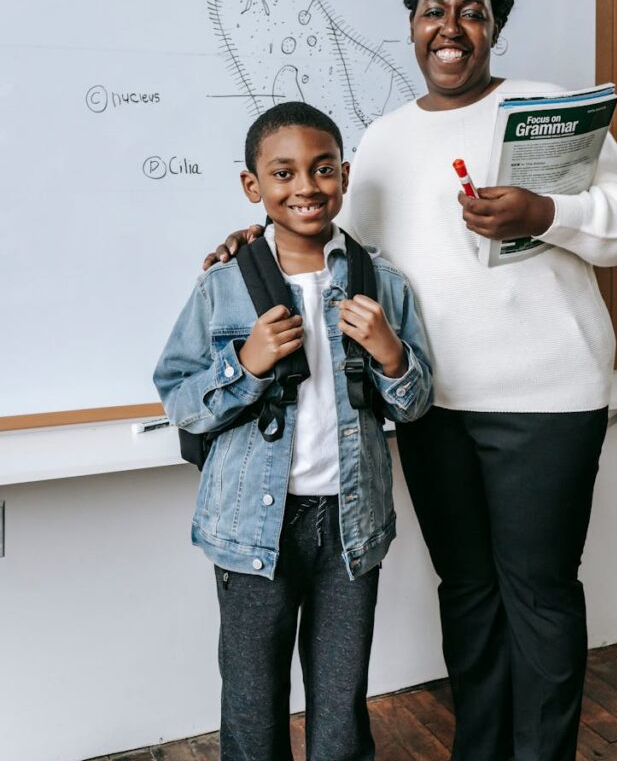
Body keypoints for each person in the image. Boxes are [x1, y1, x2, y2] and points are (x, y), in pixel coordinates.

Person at [205, 0, 617, 761]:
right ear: (411, 20)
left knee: (540, 592)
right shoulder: (381, 141)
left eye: (473, 11)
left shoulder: (547, 110)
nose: (450, 28)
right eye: (433, 9)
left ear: (495, 25)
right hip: (430, 404)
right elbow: (332, 243)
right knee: (469, 591)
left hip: (548, 401)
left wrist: (544, 213)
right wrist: (247, 245)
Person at [154, 101, 433, 761]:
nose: (306, 187)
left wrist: (392, 356)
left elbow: (416, 403)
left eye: (322, 169)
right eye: (283, 173)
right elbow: (179, 398)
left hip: (349, 527)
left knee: (340, 707)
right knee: (252, 705)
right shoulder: (223, 286)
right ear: (253, 186)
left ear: (344, 174)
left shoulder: (382, 282)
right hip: (253, 528)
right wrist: (243, 363)